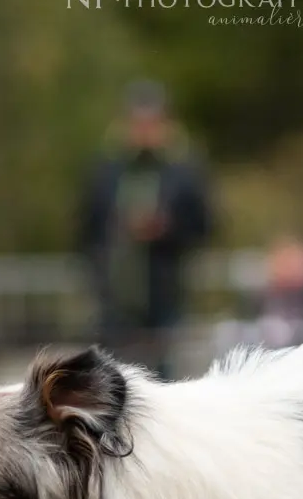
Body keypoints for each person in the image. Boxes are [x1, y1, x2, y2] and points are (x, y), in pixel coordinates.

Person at [79, 80, 213, 378]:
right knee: (112, 380)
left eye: (151, 122)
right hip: (114, 297)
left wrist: (166, 229)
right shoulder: (107, 170)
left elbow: (204, 226)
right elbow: (86, 228)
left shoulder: (183, 172)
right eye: (138, 122)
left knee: (163, 380)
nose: (144, 130)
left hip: (164, 294)